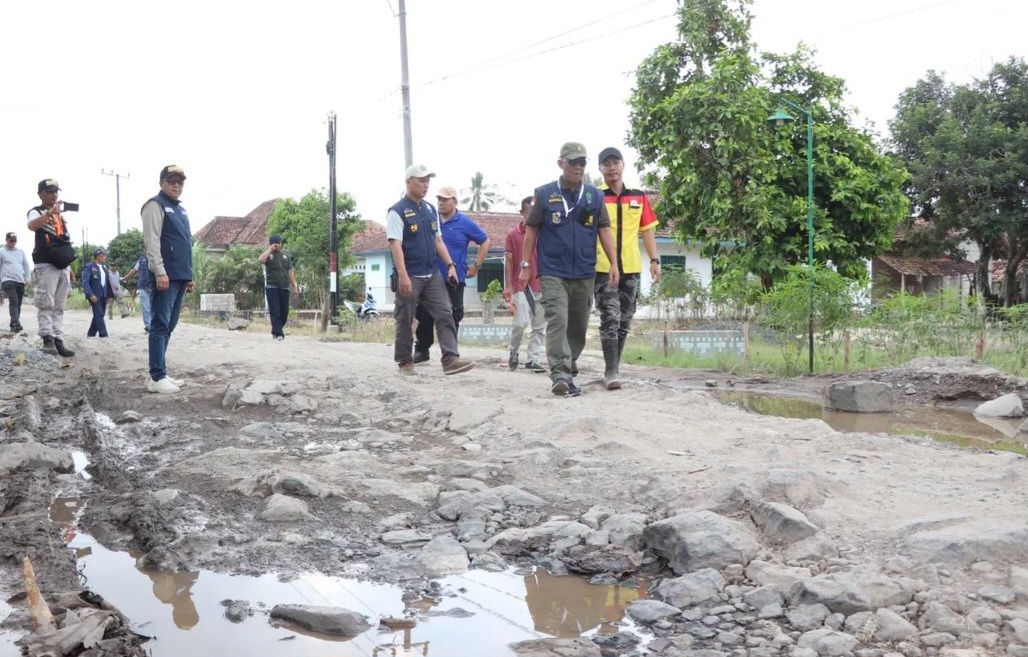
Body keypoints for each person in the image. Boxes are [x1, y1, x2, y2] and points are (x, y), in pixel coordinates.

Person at [520, 143, 618, 396]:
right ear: (560, 163)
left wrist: (614, 264)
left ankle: (568, 368)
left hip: (585, 271)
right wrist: (526, 264)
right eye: (573, 162)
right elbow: (531, 230)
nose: (578, 167)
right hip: (553, 270)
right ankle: (560, 375)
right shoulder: (544, 194)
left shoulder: (594, 196)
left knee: (578, 327)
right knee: (558, 321)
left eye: (582, 162)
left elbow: (604, 230)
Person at [387, 164, 475, 377]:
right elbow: (395, 245)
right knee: (406, 319)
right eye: (421, 180)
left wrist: (451, 266)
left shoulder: (429, 210)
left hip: (432, 273)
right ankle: (405, 361)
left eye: (428, 181)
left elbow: (438, 241)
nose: (425, 185)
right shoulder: (397, 211)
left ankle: (451, 359)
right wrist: (404, 275)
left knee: (446, 312)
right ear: (408, 182)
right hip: (410, 275)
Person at [595, 147, 662, 390]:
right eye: (606, 164)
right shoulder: (594, 197)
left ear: (623, 165)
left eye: (615, 162)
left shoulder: (638, 196)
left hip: (631, 267)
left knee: (624, 320)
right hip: (603, 268)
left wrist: (654, 260)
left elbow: (647, 230)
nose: (611, 167)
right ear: (600, 169)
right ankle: (611, 372)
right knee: (609, 318)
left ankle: (614, 367)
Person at [412, 186, 490, 363]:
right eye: (439, 199)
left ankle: (450, 354)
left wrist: (476, 265)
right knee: (424, 314)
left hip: (454, 278)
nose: (441, 203)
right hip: (429, 275)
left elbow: (485, 241)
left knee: (453, 314)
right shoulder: (432, 220)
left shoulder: (465, 223)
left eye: (445, 199)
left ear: (455, 201)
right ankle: (422, 350)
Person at [142, 165, 194, 394]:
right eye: (171, 181)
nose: (176, 185)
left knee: (170, 325)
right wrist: (159, 271)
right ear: (162, 182)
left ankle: (157, 372)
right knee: (160, 324)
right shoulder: (155, 205)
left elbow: (186, 244)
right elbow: (152, 241)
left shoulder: (180, 210)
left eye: (180, 182)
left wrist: (189, 275)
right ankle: (157, 376)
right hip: (165, 275)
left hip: (180, 275)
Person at [26, 179, 77, 357]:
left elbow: (63, 242)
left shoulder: (60, 217)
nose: (54, 195)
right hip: (46, 264)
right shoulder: (36, 212)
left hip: (62, 264)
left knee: (60, 305)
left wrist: (69, 268)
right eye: (49, 191)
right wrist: (49, 213)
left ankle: (58, 338)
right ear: (41, 194)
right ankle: (47, 338)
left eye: (56, 191)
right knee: (46, 303)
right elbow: (32, 226)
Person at [503, 197, 546, 372]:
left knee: (539, 326)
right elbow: (509, 261)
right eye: (528, 212)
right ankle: (513, 351)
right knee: (520, 323)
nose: (532, 216)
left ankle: (533, 359)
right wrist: (508, 286)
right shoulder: (513, 234)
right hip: (521, 285)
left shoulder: (544, 234)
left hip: (542, 284)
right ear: (522, 213)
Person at [258, 234, 299, 341]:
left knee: (284, 313)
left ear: (281, 244)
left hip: (284, 287)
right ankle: (279, 334)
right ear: (271, 244)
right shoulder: (268, 255)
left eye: (279, 244)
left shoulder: (286, 257)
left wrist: (295, 286)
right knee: (275, 311)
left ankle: (275, 330)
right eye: (275, 244)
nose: (277, 246)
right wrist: (270, 249)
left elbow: (290, 272)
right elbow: (261, 260)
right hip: (272, 287)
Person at [0, 231, 31, 333]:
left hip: (20, 281)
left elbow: (26, 265)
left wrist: (28, 278)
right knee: (14, 301)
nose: (13, 243)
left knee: (18, 304)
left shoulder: (20, 252)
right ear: (6, 240)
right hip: (7, 280)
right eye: (11, 241)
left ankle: (13, 322)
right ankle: (16, 324)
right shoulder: (1, 251)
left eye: (15, 241)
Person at [82, 249, 113, 338]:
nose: (104, 257)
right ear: (98, 256)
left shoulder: (104, 268)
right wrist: (90, 294)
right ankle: (104, 335)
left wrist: (109, 295)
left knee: (100, 314)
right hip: (94, 295)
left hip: (103, 295)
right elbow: (85, 282)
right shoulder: (89, 267)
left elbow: (107, 282)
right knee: (99, 314)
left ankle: (91, 334)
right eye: (103, 256)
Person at [123, 253, 152, 333]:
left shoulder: (158, 256)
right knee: (145, 308)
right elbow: (134, 270)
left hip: (155, 286)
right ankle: (148, 326)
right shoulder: (141, 259)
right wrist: (126, 278)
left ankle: (154, 326)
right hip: (143, 286)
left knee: (154, 307)